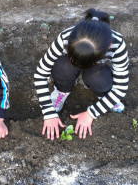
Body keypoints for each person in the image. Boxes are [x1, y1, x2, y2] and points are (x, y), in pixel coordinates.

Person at [34, 8, 129, 140]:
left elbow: (121, 87)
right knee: (63, 66)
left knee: (97, 78)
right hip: (68, 66)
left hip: (96, 69)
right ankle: (62, 91)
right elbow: (40, 74)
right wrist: (48, 113)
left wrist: (91, 113)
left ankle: (105, 97)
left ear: (106, 48)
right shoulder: (65, 38)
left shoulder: (116, 44)